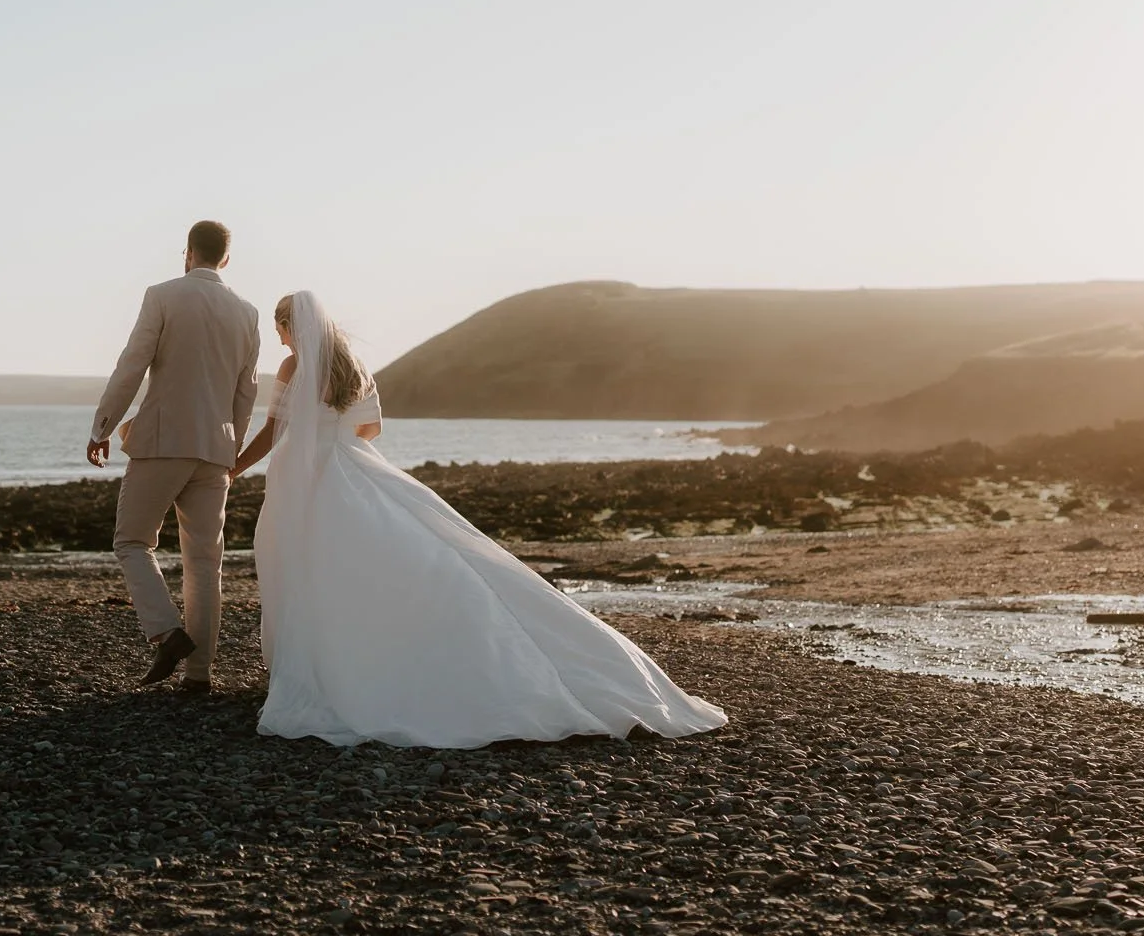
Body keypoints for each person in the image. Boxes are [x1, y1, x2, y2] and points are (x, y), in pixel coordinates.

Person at [233, 291, 727, 748]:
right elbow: (371, 429)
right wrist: (334, 437)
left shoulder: (294, 365)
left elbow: (275, 430)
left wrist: (235, 468)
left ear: (290, 326)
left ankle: (320, 673)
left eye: (281, 329)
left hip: (308, 481)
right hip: (356, 469)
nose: (280, 338)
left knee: (308, 567)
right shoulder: (352, 365)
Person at [88, 221, 260, 693]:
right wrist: (232, 448)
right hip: (215, 451)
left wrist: (103, 426)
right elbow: (247, 391)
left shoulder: (162, 295)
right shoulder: (247, 312)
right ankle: (199, 676)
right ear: (226, 258)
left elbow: (132, 365)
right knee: (206, 562)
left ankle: (166, 632)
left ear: (186, 253)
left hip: (164, 442)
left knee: (132, 541)